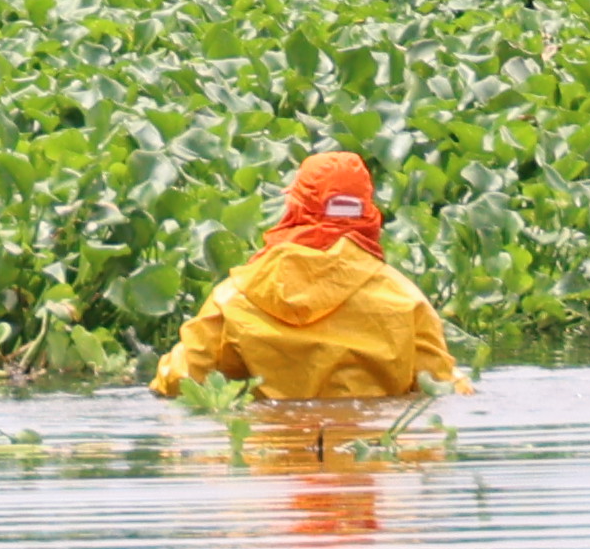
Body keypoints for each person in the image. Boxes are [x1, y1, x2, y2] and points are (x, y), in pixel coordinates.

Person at [153, 150, 460, 401]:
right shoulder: (406, 300)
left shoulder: (235, 295)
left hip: (266, 458)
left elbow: (180, 381)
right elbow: (443, 389)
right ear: (369, 211)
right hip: (370, 452)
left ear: (295, 206)